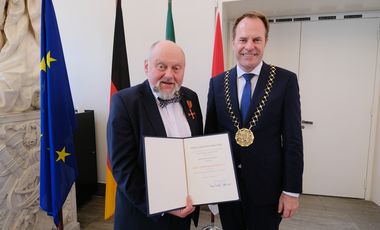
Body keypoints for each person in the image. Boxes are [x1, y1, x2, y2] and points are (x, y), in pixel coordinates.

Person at [205, 11, 303, 230]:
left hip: (268, 192)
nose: (249, 46)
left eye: (256, 39)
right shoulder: (217, 83)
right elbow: (209, 138)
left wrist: (291, 190)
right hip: (227, 189)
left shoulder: (285, 81)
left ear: (266, 41)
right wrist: (208, 188)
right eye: (243, 39)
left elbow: (293, 140)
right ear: (233, 42)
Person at [107, 40, 202, 230]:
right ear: (146, 66)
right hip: (142, 217)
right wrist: (161, 206)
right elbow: (122, 168)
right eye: (161, 66)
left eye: (176, 68)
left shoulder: (191, 97)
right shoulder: (125, 102)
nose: (169, 74)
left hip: (183, 213)